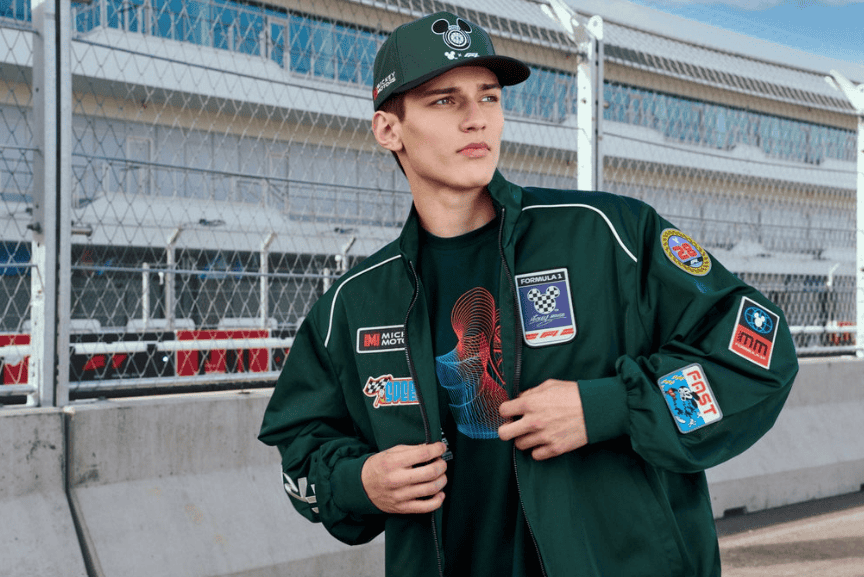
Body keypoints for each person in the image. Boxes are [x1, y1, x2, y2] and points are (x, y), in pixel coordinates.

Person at [258, 10, 798, 577]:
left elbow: (758, 354)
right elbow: (300, 449)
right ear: (389, 129)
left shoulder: (609, 235)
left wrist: (607, 407)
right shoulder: (355, 302)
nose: (476, 120)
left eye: (488, 98)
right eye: (445, 101)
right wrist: (360, 482)